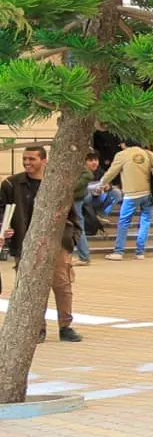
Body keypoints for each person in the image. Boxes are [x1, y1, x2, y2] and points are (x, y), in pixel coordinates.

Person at [0, 144, 80, 341]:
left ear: (44, 161)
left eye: (32, 159)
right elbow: (2, 210)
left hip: (57, 243)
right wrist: (4, 228)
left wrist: (72, 238)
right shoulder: (11, 184)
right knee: (30, 288)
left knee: (62, 284)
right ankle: (37, 328)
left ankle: (65, 326)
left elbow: (72, 213)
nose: (27, 163)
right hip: (25, 243)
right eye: (25, 159)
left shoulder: (57, 184)